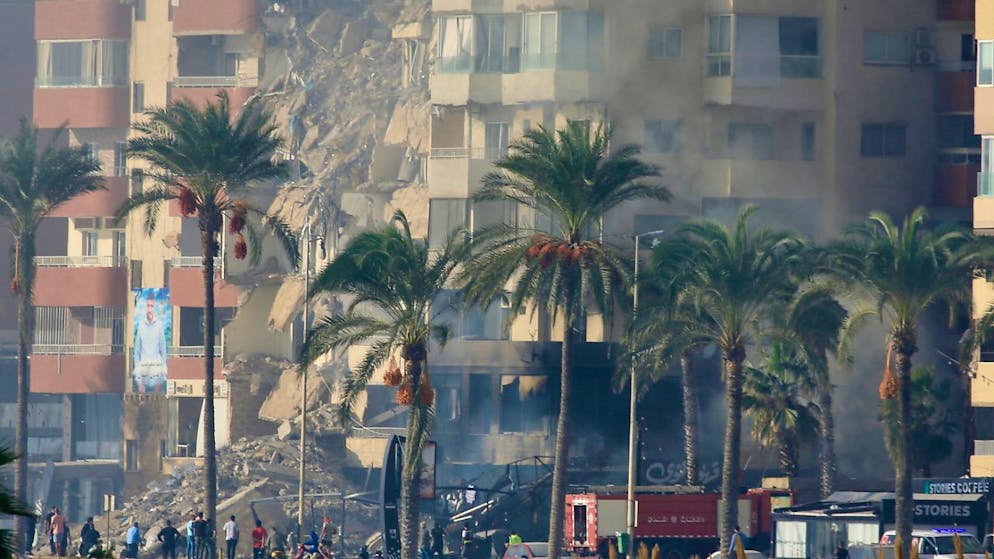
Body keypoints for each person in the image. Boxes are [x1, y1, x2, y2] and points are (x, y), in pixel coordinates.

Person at [133, 291, 168, 393]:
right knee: (141, 402)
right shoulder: (141, 326)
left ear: (154, 308)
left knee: (157, 403)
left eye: (151, 306)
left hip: (156, 371)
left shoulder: (159, 326)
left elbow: (163, 350)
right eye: (148, 306)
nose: (149, 308)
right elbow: (137, 352)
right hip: (143, 370)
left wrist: (162, 371)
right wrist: (139, 380)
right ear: (145, 307)